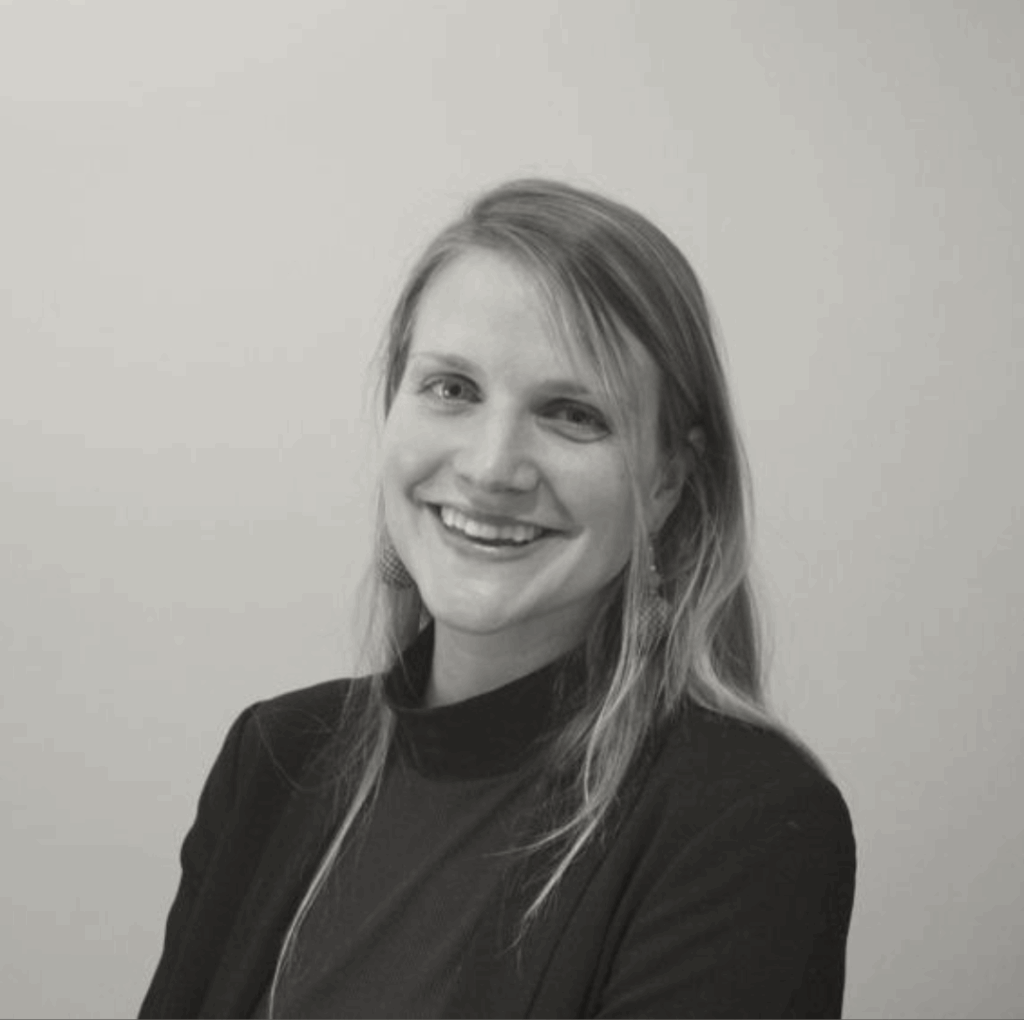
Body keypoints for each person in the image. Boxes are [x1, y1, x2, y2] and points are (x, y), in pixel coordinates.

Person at [139, 179, 856, 1019]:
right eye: (452, 389)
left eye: (572, 413)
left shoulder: (746, 823)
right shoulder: (274, 759)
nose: (489, 468)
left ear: (668, 479)